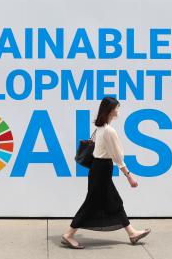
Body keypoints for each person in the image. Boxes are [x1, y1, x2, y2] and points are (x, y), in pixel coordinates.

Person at [61, 97, 151, 249]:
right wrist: (129, 176)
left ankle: (132, 233)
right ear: (110, 110)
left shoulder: (101, 128)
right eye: (117, 107)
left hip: (99, 169)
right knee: (91, 203)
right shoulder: (109, 131)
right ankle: (69, 234)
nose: (118, 110)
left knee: (115, 201)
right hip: (102, 170)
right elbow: (118, 157)